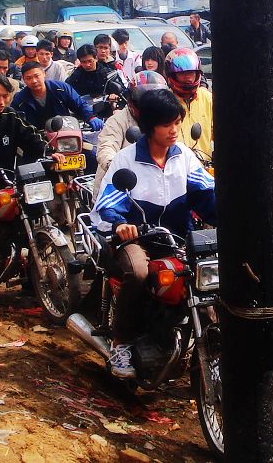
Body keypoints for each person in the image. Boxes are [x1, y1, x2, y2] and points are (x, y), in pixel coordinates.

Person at [91, 89, 216, 378]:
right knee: (138, 273)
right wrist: (119, 224)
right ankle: (121, 343)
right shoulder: (126, 160)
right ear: (149, 125)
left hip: (177, 239)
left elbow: (206, 195)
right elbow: (108, 204)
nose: (174, 130)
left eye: (177, 123)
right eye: (166, 124)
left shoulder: (184, 156)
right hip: (136, 240)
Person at [94, 70, 169, 195]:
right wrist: (116, 167)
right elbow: (106, 146)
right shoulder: (117, 121)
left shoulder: (165, 120)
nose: (152, 109)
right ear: (132, 101)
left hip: (154, 184)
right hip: (118, 188)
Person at [0, 72, 64, 170]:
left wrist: (49, 154)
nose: (1, 102)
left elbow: (30, 137)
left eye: (5, 96)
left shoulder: (11, 115)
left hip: (8, 175)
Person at [12, 61, 103, 133]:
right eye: (29, 78)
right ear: (23, 79)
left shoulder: (61, 88)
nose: (34, 81)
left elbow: (79, 104)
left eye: (37, 76)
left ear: (44, 74)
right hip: (37, 138)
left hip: (65, 132)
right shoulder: (20, 99)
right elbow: (14, 121)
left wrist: (90, 117)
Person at [163, 48, 213, 159]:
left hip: (203, 165)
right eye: (182, 73)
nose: (188, 77)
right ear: (172, 75)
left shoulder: (208, 98)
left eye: (191, 72)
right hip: (173, 163)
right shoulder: (163, 101)